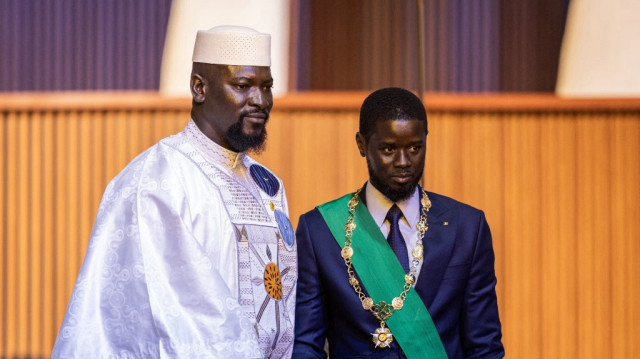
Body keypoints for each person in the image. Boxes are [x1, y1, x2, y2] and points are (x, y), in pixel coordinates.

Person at [52, 26, 297, 358]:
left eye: (266, 87)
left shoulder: (268, 185)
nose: (260, 100)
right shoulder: (156, 178)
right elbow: (170, 310)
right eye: (242, 86)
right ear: (199, 87)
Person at [293, 87, 504, 358]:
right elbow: (306, 345)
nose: (404, 162)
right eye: (389, 149)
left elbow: (484, 345)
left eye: (415, 148)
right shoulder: (320, 230)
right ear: (361, 144)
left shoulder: (467, 227)